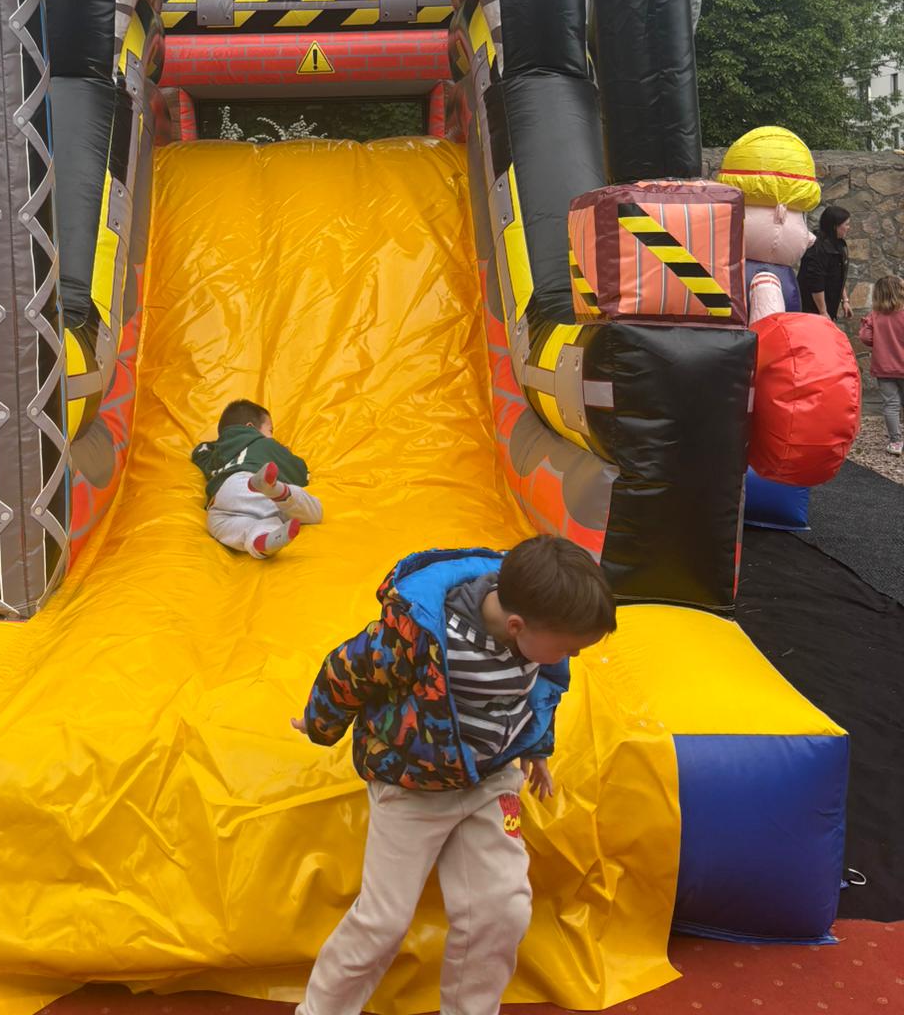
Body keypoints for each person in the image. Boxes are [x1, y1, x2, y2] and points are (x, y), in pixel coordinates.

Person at [291, 535, 616, 1015]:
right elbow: (350, 669)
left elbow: (542, 691)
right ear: (516, 626)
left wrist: (537, 748)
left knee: (502, 909)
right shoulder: (422, 634)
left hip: (487, 781)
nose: (575, 655)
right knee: (384, 920)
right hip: (413, 784)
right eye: (570, 647)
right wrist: (320, 721)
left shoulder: (540, 630)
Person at [191, 398, 322, 559]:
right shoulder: (264, 444)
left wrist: (221, 440)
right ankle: (277, 490)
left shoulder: (214, 455)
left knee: (229, 526)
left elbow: (199, 452)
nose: (271, 436)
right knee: (314, 512)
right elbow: (299, 473)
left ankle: (261, 540)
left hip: (220, 502)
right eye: (270, 430)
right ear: (250, 428)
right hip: (250, 483)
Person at [859, 275, 904, 456]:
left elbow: (865, 338)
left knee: (890, 405)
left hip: (884, 369)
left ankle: (895, 442)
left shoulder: (875, 316)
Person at [798, 204, 852, 320]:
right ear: (835, 226)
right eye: (846, 224)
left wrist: (845, 300)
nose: (849, 227)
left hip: (828, 306)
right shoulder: (817, 248)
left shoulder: (838, 244)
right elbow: (816, 282)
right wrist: (823, 311)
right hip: (812, 310)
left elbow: (839, 275)